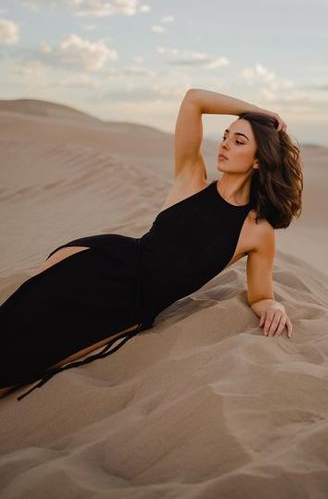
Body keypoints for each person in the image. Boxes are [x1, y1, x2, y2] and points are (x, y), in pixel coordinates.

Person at [0, 88, 303, 401]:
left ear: (259, 160)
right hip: (94, 265)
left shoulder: (257, 231)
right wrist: (259, 111)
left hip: (130, 310)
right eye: (226, 135)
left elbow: (260, 295)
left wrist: (274, 306)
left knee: (19, 370)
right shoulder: (191, 178)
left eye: (239, 141)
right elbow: (193, 100)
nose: (225, 144)